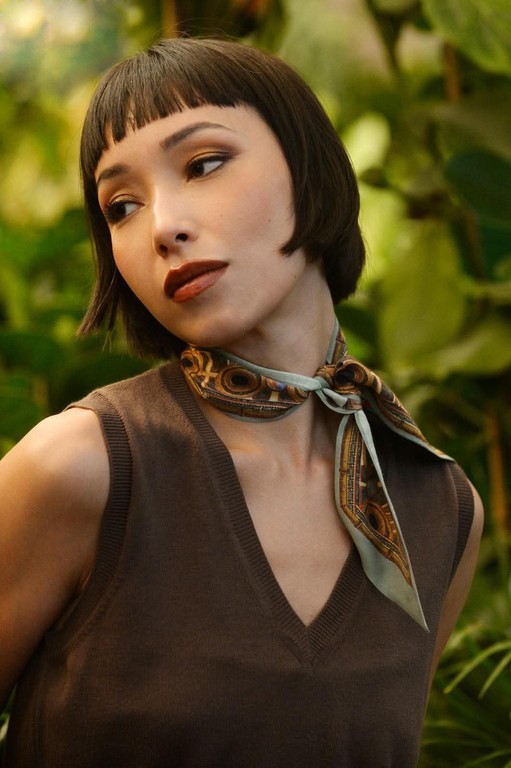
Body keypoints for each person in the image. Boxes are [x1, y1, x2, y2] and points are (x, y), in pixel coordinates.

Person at [1, 37, 483, 767]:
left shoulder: (440, 508)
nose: (162, 227)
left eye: (203, 164)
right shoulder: (81, 467)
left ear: (308, 166)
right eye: (121, 206)